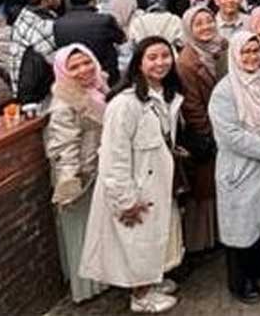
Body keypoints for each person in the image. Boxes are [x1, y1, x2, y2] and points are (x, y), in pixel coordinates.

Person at [79, 37, 184, 315]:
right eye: (152, 57)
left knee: (153, 240)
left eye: (165, 56)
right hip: (136, 185)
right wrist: (124, 200)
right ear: (139, 62)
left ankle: (151, 281)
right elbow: (114, 157)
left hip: (158, 181)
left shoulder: (166, 94)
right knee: (135, 243)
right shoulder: (124, 105)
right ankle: (140, 295)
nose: (160, 62)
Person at [210, 31, 260, 304]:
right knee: (242, 228)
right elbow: (230, 136)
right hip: (241, 169)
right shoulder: (224, 91)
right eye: (245, 52)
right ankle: (240, 282)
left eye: (255, 51)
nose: (251, 57)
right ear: (234, 54)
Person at [44, 44, 109, 303]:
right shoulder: (64, 102)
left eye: (86, 62)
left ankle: (102, 278)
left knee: (95, 228)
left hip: (96, 167)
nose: (83, 70)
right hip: (80, 174)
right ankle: (86, 289)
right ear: (62, 71)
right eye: (74, 67)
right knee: (81, 231)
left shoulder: (98, 89)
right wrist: (69, 182)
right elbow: (64, 146)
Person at [176, 5, 227, 254]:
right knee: (206, 188)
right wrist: (211, 131)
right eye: (199, 24)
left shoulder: (221, 48)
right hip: (207, 132)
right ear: (189, 28)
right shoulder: (187, 62)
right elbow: (192, 106)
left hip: (226, 124)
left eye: (209, 21)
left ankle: (221, 232)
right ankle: (204, 241)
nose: (206, 27)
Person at [55, 0, 127, 86]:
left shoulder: (58, 23)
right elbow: (122, 39)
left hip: (75, 77)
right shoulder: (105, 20)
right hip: (105, 77)